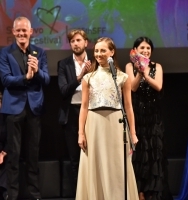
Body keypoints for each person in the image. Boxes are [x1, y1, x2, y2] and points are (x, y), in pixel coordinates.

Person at [76, 37, 139, 200]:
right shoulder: (88, 78)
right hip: (94, 125)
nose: (98, 54)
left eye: (103, 50)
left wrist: (132, 133)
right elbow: (83, 106)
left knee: (116, 165)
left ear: (112, 52)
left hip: (116, 124)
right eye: (96, 50)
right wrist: (81, 133)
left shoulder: (123, 77)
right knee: (96, 165)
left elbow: (129, 107)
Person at [0, 16, 50, 200]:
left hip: (34, 108)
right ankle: (11, 195)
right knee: (13, 155)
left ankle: (34, 194)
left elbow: (46, 79)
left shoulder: (39, 52)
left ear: (31, 32)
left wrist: (36, 73)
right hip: (13, 108)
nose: (21, 33)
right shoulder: (5, 53)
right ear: (13, 32)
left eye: (24, 30)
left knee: (33, 154)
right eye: (18, 30)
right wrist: (26, 78)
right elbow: (5, 80)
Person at [125, 37, 173, 200]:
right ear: (135, 50)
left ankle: (154, 193)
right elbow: (132, 87)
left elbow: (158, 86)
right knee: (139, 155)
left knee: (154, 154)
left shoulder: (156, 66)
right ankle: (139, 193)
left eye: (148, 48)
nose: (145, 51)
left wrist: (146, 72)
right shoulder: (129, 66)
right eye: (142, 48)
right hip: (137, 116)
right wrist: (139, 72)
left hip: (153, 116)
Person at [57, 29, 91, 195]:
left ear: (86, 42)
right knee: (75, 159)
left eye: (78, 40)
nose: (75, 43)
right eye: (72, 41)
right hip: (71, 114)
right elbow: (63, 90)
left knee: (92, 157)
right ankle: (79, 195)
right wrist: (80, 77)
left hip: (92, 113)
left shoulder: (95, 61)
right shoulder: (64, 64)